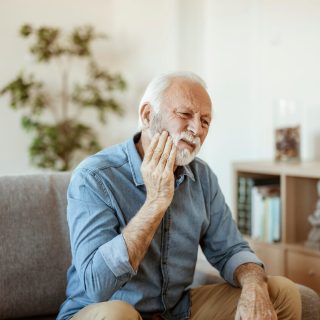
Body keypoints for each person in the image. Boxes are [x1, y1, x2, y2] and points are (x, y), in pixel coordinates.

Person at [58, 72, 301, 320]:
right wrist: (155, 203)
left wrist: (254, 286)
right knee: (117, 315)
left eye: (205, 121)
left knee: (281, 292)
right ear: (147, 115)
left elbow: (230, 250)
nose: (196, 129)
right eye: (185, 115)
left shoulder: (202, 177)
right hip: (102, 310)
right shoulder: (95, 177)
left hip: (174, 313)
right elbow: (96, 286)